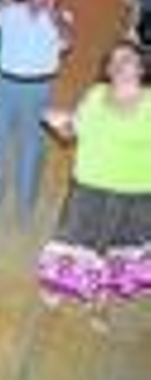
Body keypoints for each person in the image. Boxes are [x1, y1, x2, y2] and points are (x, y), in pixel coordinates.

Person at [37, 42, 151, 327]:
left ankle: (100, 303)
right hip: (88, 185)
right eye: (114, 61)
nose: (121, 65)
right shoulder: (96, 94)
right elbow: (70, 134)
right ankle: (62, 285)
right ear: (108, 70)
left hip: (134, 192)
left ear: (141, 67)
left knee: (114, 247)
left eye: (128, 59)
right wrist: (57, 122)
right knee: (74, 237)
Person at [0, 0, 73, 220]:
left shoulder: (60, 17)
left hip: (38, 87)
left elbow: (67, 41)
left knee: (31, 146)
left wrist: (52, 9)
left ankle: (26, 200)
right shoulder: (10, 11)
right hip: (4, 83)